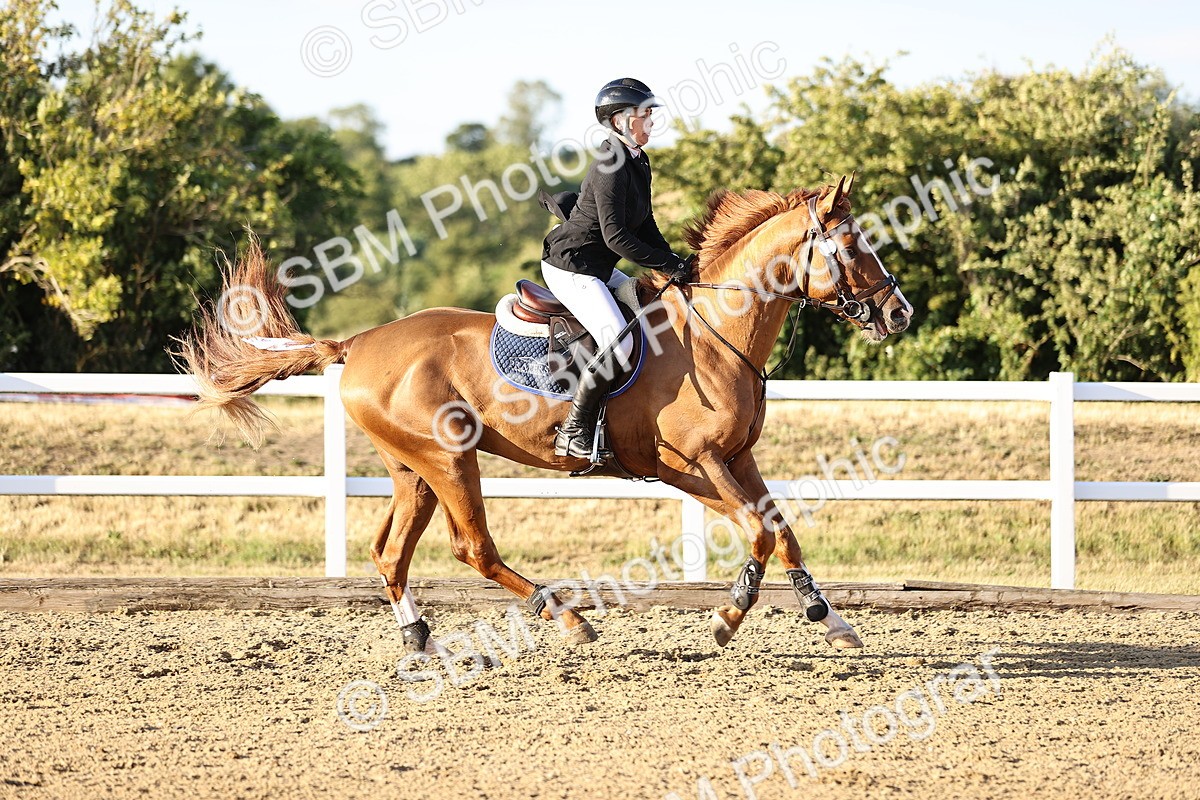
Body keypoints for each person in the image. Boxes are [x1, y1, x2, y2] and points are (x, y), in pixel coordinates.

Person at [541, 77, 692, 461]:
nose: (651, 122)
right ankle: (573, 431)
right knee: (620, 342)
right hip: (573, 266)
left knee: (649, 318)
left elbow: (646, 225)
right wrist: (664, 263)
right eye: (645, 115)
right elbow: (616, 238)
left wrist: (679, 262)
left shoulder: (639, 161)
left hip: (599, 266)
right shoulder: (611, 165)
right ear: (621, 120)